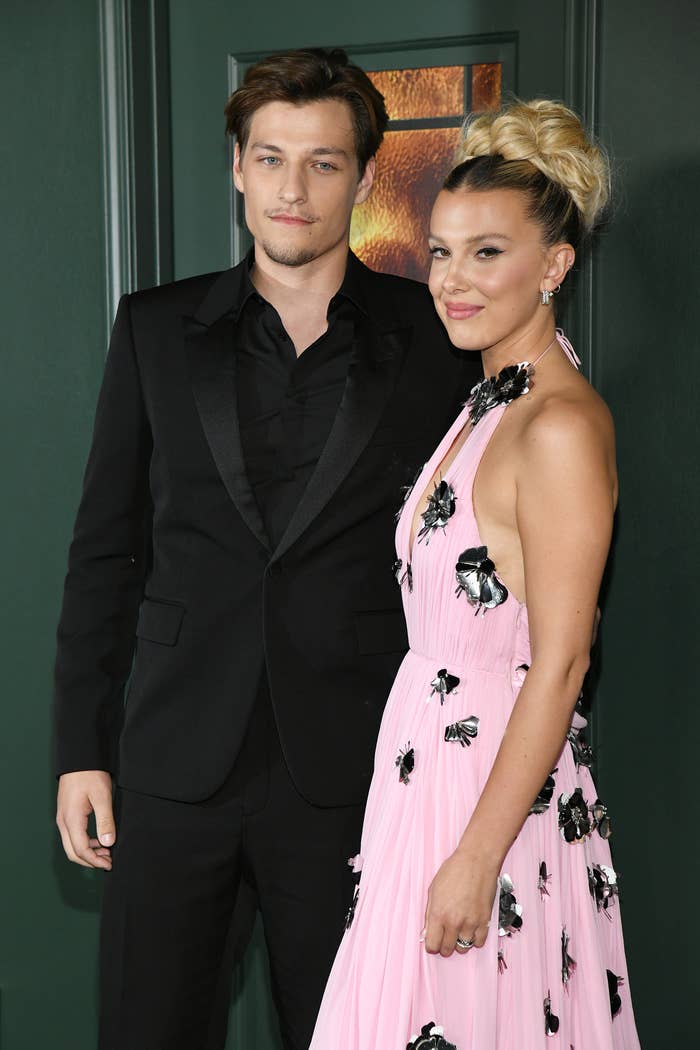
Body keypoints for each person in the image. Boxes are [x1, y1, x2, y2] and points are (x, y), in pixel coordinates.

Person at [52, 47, 478, 1050]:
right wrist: (81, 749)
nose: (295, 188)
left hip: (357, 767)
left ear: (365, 177)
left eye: (325, 162)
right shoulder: (155, 329)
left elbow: (482, 559)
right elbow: (103, 549)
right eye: (272, 157)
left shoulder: (432, 339)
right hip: (170, 759)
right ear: (237, 166)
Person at [310, 100, 641, 1050]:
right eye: (442, 252)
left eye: (486, 254)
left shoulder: (561, 426)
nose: (452, 281)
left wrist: (476, 857)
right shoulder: (491, 400)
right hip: (428, 782)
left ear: (555, 265)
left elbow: (564, 664)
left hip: (492, 802)